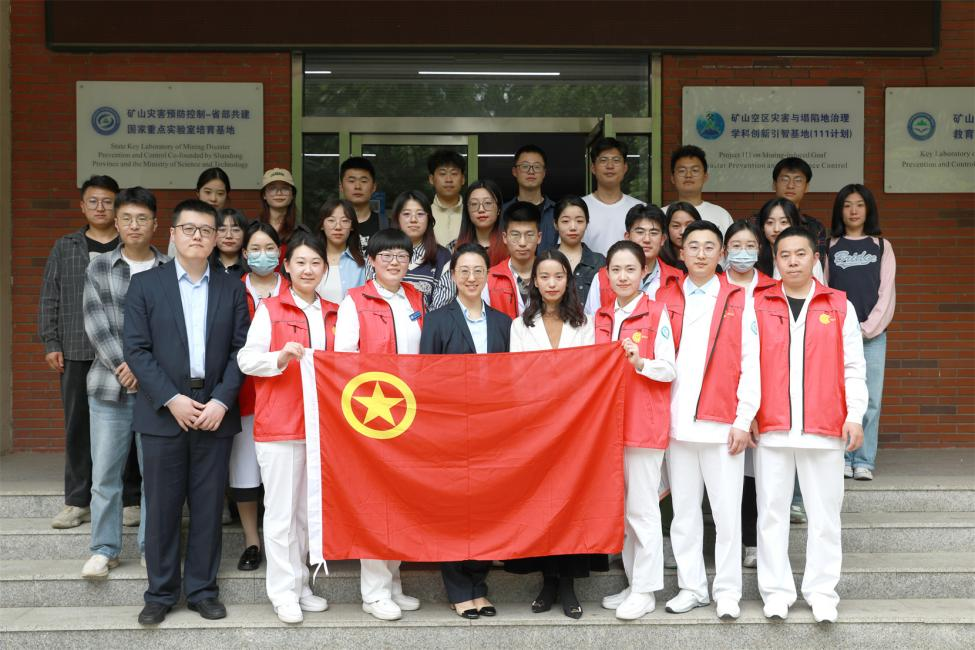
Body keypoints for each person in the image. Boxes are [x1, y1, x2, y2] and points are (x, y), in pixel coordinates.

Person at [123, 199, 249, 625]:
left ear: (216, 239)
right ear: (173, 234)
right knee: (161, 508)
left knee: (208, 507)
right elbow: (136, 350)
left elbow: (241, 351)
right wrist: (171, 398)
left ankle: (202, 590)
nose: (198, 236)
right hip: (164, 412)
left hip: (214, 410)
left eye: (206, 230)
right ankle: (160, 594)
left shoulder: (232, 287)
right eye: (190, 229)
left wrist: (221, 401)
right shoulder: (146, 285)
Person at [753, 225, 867, 623]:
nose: (793, 262)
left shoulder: (839, 305)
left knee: (824, 517)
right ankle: (776, 592)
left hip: (825, 426)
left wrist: (854, 415)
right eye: (785, 255)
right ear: (775, 260)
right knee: (771, 514)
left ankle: (822, 593)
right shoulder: (760, 303)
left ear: (815, 258)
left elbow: (854, 367)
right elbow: (747, 365)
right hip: (772, 426)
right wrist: (747, 414)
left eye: (800, 254)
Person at [655, 220, 760, 622]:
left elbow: (752, 363)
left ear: (722, 254)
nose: (700, 253)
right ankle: (692, 587)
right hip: (677, 424)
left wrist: (744, 417)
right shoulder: (666, 297)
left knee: (727, 514)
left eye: (709, 246)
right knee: (684, 514)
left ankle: (728, 591)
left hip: (723, 425)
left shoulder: (738, 298)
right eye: (693, 246)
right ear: (680, 253)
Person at [238, 227, 337, 624]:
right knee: (280, 514)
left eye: (316, 262)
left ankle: (300, 584)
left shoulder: (334, 312)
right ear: (288, 267)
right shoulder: (271, 309)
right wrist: (279, 358)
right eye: (301, 262)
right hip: (280, 425)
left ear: (325, 268)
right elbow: (247, 360)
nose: (308, 269)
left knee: (307, 514)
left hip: (323, 429)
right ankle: (282, 592)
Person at [505, 249, 602, 618]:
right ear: (534, 282)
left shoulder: (585, 323)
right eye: (544, 277)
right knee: (541, 504)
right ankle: (547, 582)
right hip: (535, 427)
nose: (551, 283)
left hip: (577, 427)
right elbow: (517, 377)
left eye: (558, 276)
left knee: (573, 503)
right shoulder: (520, 325)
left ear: (568, 280)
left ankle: (568, 585)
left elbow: (589, 372)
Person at [334, 228, 424, 622]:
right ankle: (374, 592)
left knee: (401, 499)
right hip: (372, 415)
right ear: (371, 260)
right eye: (385, 255)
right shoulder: (355, 300)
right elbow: (343, 361)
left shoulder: (415, 298)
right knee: (375, 501)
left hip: (412, 413)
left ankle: (394, 580)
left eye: (401, 255)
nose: (394, 262)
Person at [80, 187, 168, 579]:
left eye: (142, 219)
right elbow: (95, 323)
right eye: (127, 219)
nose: (134, 226)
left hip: (156, 393)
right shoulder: (99, 267)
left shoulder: (169, 269)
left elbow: (171, 331)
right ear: (116, 223)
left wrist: (143, 370)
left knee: (156, 477)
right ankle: (104, 549)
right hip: (107, 388)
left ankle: (152, 548)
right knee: (105, 475)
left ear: (155, 224)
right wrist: (124, 364)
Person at [419, 243, 510, 619]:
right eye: (464, 271)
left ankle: (478, 586)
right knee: (454, 508)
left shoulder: (504, 323)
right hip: (450, 428)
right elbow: (426, 378)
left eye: (478, 271)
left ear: (487, 275)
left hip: (493, 429)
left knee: (486, 507)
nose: (471, 278)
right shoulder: (437, 320)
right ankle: (458, 589)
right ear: (453, 275)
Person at [39, 174, 131, 530]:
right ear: (82, 206)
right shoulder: (66, 246)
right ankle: (78, 501)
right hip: (77, 349)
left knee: (129, 426)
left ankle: (131, 500)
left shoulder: (129, 244)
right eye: (93, 201)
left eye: (108, 201)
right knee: (78, 427)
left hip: (122, 354)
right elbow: (50, 295)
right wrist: (51, 342)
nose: (100, 207)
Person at [595, 241, 676, 621]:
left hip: (643, 424)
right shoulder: (601, 315)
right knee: (624, 511)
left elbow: (670, 369)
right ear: (606, 274)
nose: (623, 276)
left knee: (643, 511)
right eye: (616, 270)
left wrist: (641, 362)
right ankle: (632, 583)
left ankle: (645, 591)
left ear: (644, 272)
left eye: (630, 269)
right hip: (608, 427)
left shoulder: (656, 312)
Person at [231, 221, 290, 573]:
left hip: (287, 396)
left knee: (285, 476)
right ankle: (252, 541)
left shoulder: (294, 288)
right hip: (244, 393)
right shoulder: (232, 289)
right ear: (244, 253)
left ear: (280, 253)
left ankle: (285, 544)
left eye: (269, 248)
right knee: (245, 471)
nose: (262, 255)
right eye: (255, 249)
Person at [826, 184, 895, 481]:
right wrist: (839, 330)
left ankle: (864, 460)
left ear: (868, 210)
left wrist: (866, 329)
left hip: (872, 337)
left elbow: (887, 294)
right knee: (839, 398)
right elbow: (825, 291)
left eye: (859, 205)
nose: (853, 211)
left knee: (871, 400)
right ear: (839, 211)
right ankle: (842, 457)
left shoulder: (882, 246)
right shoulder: (830, 246)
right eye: (847, 205)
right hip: (836, 337)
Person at [722, 220, 776, 570]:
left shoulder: (772, 289)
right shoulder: (714, 288)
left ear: (760, 249)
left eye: (750, 246)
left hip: (765, 391)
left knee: (755, 475)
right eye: (736, 246)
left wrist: (755, 408)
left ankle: (752, 542)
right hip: (721, 394)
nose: (743, 252)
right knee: (724, 474)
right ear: (724, 251)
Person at [585, 204, 683, 315]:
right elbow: (593, 320)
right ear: (627, 237)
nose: (647, 239)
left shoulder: (677, 278)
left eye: (654, 233)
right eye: (640, 232)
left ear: (663, 239)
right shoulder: (602, 278)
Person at [386, 190, 454, 310]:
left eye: (420, 214)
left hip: (428, 322)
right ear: (397, 218)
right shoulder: (380, 253)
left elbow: (441, 309)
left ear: (429, 219)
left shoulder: (443, 257)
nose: (413, 219)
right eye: (406, 214)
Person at [582, 137, 643, 256]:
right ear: (593, 168)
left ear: (625, 168)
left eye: (616, 160)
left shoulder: (640, 209)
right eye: (603, 160)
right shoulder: (578, 208)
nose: (610, 166)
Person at [483, 201, 540, 319]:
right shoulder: (490, 278)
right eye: (515, 235)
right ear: (504, 237)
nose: (522, 243)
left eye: (529, 235)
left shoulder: (553, 274)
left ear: (539, 237)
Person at [771, 157, 828, 267]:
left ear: (806, 187)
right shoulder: (755, 222)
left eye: (798, 180)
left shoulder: (815, 227)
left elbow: (818, 265)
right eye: (785, 179)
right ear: (774, 184)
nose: (790, 186)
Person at [666, 145, 733, 236]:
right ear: (673, 178)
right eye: (682, 171)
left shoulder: (721, 215)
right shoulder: (662, 215)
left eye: (695, 170)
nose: (688, 175)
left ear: (705, 176)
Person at [755, 197, 824, 283]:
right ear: (762, 227)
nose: (776, 229)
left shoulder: (808, 258)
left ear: (794, 224)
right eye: (770, 222)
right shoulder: (755, 257)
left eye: (783, 222)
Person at [501, 144, 557, 250]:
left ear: (544, 173)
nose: (531, 171)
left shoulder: (557, 213)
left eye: (537, 167)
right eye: (525, 166)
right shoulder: (502, 213)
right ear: (514, 171)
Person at [169, 168, 234, 258]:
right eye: (207, 192)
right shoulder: (184, 223)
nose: (213, 198)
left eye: (220, 193)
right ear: (198, 192)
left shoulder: (234, 224)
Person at [554, 196, 605, 305]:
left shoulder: (599, 261)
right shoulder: (545, 260)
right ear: (555, 224)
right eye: (565, 221)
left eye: (579, 221)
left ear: (587, 223)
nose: (573, 227)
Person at [315, 198, 367, 303]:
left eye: (345, 221)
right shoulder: (310, 260)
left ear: (352, 226)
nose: (338, 227)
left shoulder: (363, 265)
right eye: (331, 220)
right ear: (322, 225)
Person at [451, 179, 506, 267]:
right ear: (467, 211)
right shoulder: (453, 247)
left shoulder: (511, 245)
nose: (481, 210)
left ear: (498, 209)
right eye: (474, 204)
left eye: (487, 203)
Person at [339, 156, 387, 250]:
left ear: (373, 187)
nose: (357, 186)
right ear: (341, 187)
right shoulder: (331, 226)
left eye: (364, 181)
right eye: (351, 181)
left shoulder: (386, 225)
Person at [428, 149, 466, 246]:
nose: (448, 179)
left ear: (462, 179)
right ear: (431, 179)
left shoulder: (472, 214)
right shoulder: (424, 214)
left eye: (454, 173)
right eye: (442, 174)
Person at [259, 168, 297, 247]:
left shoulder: (301, 231)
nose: (279, 193)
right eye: (272, 188)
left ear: (292, 195)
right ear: (264, 195)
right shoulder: (252, 228)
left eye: (285, 188)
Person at [659, 202, 702, 272]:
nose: (682, 232)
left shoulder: (709, 262)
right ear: (667, 228)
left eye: (689, 225)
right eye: (676, 226)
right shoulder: (657, 262)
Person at [210, 208, 247, 280]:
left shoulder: (252, 268)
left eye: (235, 230)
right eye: (222, 230)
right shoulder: (204, 266)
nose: (229, 236)